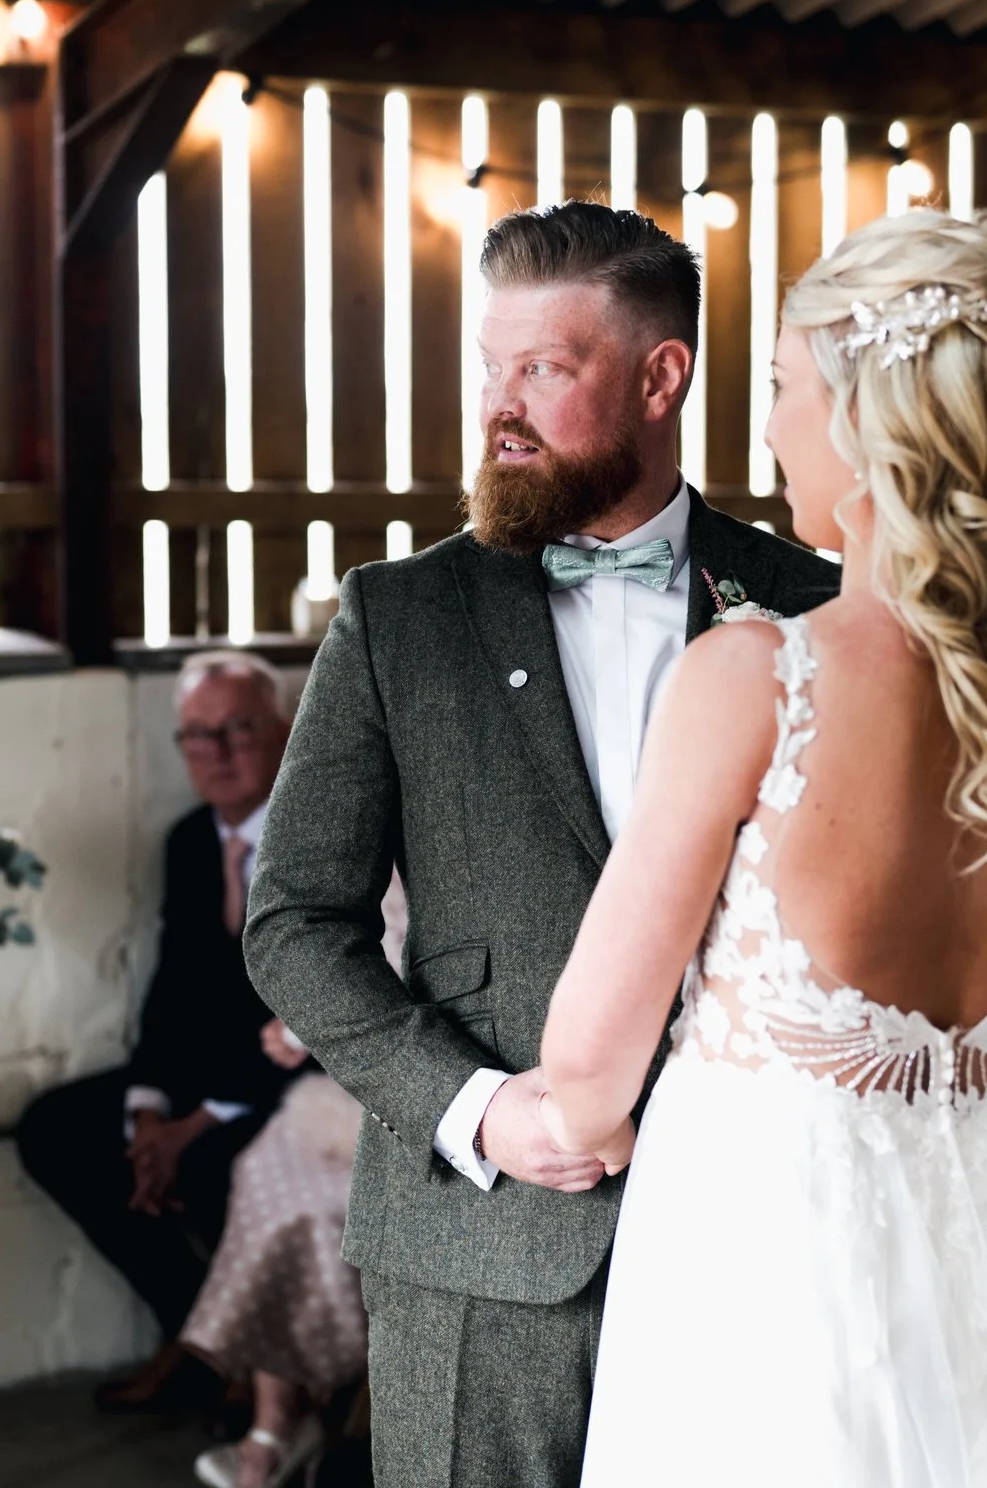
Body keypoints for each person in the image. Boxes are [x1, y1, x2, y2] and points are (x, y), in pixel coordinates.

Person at [539, 210, 987, 1484]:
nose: (764, 431)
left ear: (871, 423)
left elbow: (588, 1070)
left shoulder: (754, 677)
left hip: (781, 1262)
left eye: (780, 388)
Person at [245, 200, 841, 1488]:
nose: (498, 406)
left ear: (660, 376)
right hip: (485, 1242)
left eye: (544, 370)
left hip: (767, 1231)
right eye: (488, 367)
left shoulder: (811, 602)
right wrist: (475, 1107)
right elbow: (294, 920)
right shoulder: (397, 616)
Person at [17, 651, 300, 1413]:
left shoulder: (317, 836)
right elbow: (170, 994)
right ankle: (196, 1335)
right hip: (194, 1081)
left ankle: (256, 1366)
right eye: (197, 736)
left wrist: (191, 1126)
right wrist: (148, 1111)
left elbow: (317, 1016)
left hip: (290, 1084)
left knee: (212, 1166)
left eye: (237, 728)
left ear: (281, 730)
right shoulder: (187, 840)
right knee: (55, 1128)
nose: (218, 753)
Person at [188, 880, 407, 1488]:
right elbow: (349, 937)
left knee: (319, 1211)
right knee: (265, 1175)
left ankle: (307, 1418)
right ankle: (276, 1418)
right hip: (344, 1081)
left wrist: (301, 1030)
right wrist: (297, 1022)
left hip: (423, 1080)